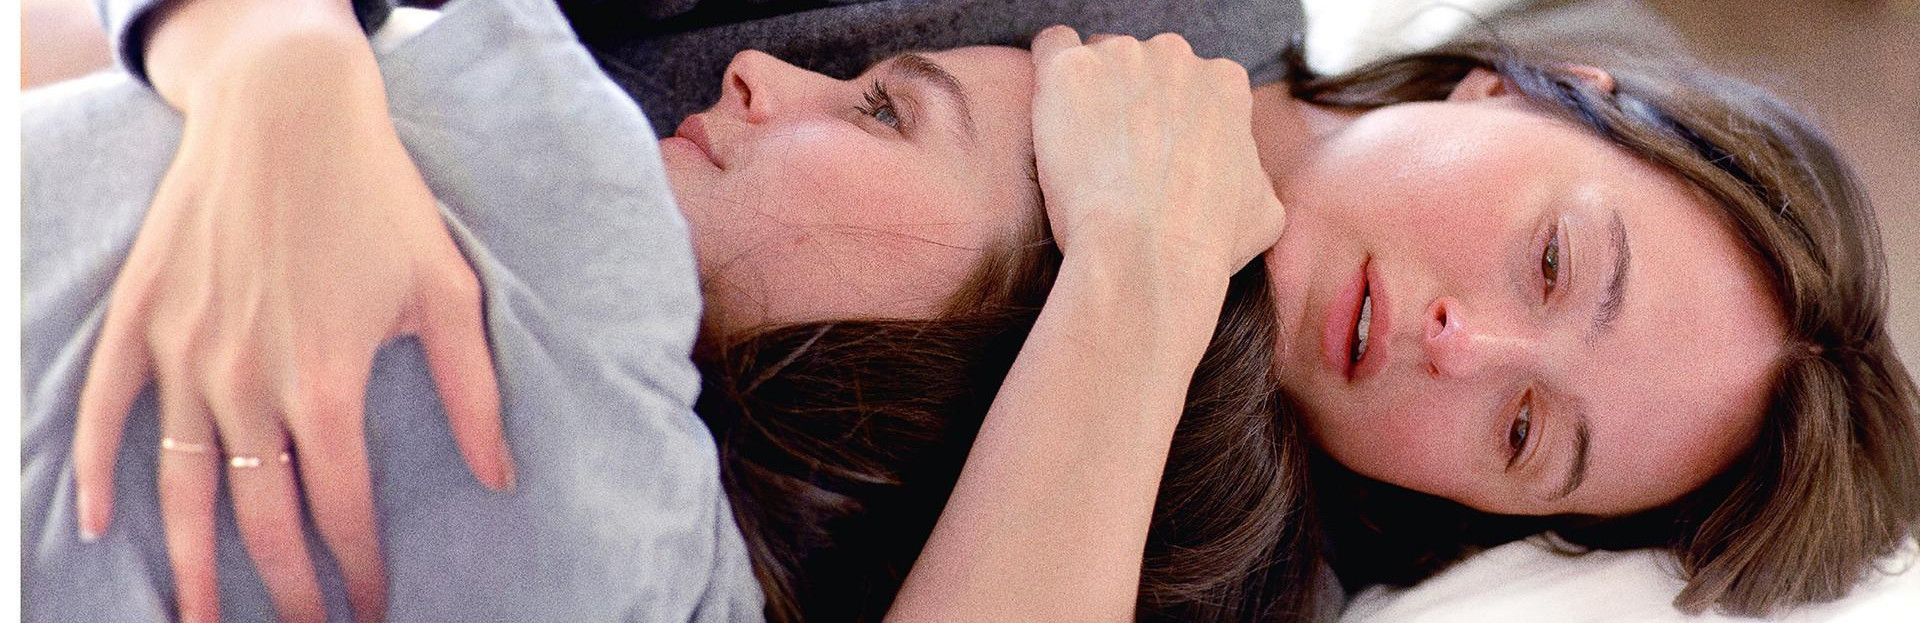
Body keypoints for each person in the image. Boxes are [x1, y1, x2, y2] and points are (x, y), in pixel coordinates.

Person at [32, 0, 1920, 621]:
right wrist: (269, 63)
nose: (1466, 343)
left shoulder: (1206, 566)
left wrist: (1144, 283)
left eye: (1521, 434)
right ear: (1519, 92)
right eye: (1553, 264)